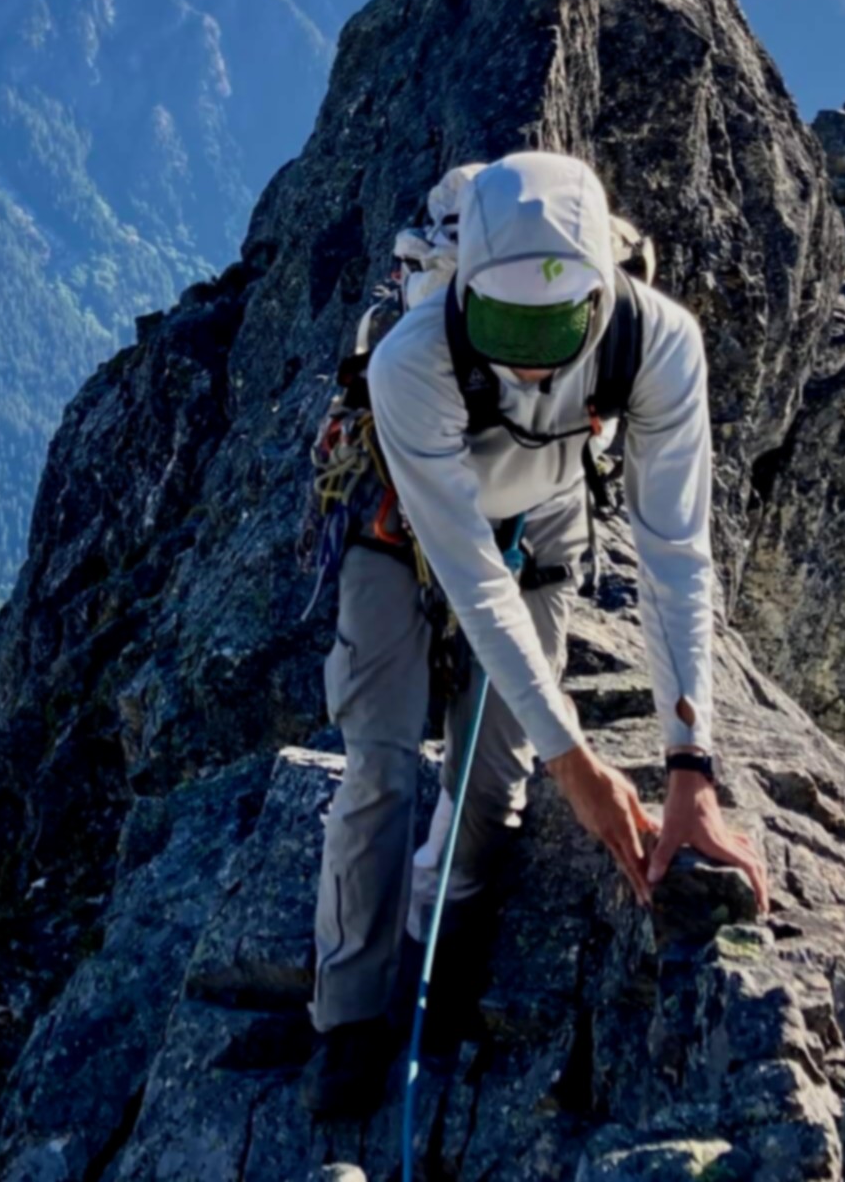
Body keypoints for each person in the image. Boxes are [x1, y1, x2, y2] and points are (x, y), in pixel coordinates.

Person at [306, 151, 768, 1119]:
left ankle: (441, 961)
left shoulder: (657, 344)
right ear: (464, 293)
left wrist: (692, 767)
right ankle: (347, 1018)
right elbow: (474, 581)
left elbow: (676, 553)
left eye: (550, 333)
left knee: (493, 784)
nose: (527, 363)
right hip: (398, 519)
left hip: (545, 523)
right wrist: (580, 765)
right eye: (506, 331)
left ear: (599, 299)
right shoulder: (410, 361)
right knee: (380, 767)